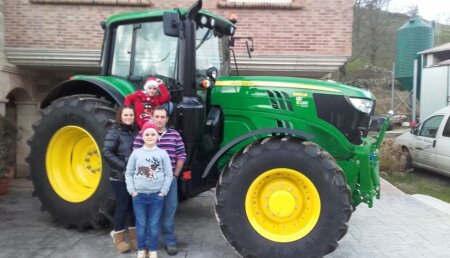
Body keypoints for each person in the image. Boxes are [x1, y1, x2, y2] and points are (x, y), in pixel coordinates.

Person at [133, 106, 186, 256]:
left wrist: (175, 174)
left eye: (163, 117)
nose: (160, 120)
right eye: (157, 116)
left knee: (169, 211)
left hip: (170, 181)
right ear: (152, 116)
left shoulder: (174, 135)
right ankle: (150, 244)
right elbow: (136, 156)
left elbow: (181, 154)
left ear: (167, 119)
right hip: (149, 183)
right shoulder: (142, 135)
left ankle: (170, 241)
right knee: (151, 214)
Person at [125, 122, 173, 258]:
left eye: (153, 134)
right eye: (147, 134)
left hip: (156, 196)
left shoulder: (162, 154)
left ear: (157, 136)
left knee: (153, 224)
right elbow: (128, 173)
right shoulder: (136, 154)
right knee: (140, 223)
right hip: (139, 195)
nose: (150, 136)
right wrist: (132, 191)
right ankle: (141, 248)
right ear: (142, 136)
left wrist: (163, 191)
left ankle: (152, 249)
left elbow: (169, 174)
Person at [102, 106, 138, 253]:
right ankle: (119, 239)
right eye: (126, 115)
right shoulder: (114, 132)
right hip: (119, 177)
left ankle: (134, 238)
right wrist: (124, 166)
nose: (129, 117)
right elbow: (107, 152)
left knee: (133, 209)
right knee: (122, 207)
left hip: (134, 177)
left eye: (131, 115)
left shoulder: (135, 133)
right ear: (120, 116)